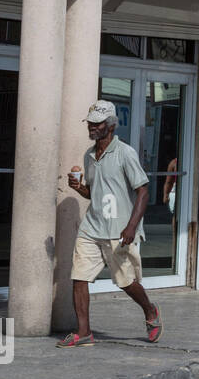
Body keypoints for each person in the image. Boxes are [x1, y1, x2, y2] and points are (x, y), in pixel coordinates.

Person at [58, 101, 160, 347]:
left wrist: (131, 227)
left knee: (126, 282)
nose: (92, 127)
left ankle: (150, 311)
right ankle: (83, 333)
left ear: (111, 125)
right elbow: (95, 193)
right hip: (92, 227)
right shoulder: (89, 156)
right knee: (80, 277)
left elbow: (143, 192)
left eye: (98, 123)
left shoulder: (126, 153)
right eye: (90, 123)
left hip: (120, 230)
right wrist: (79, 188)